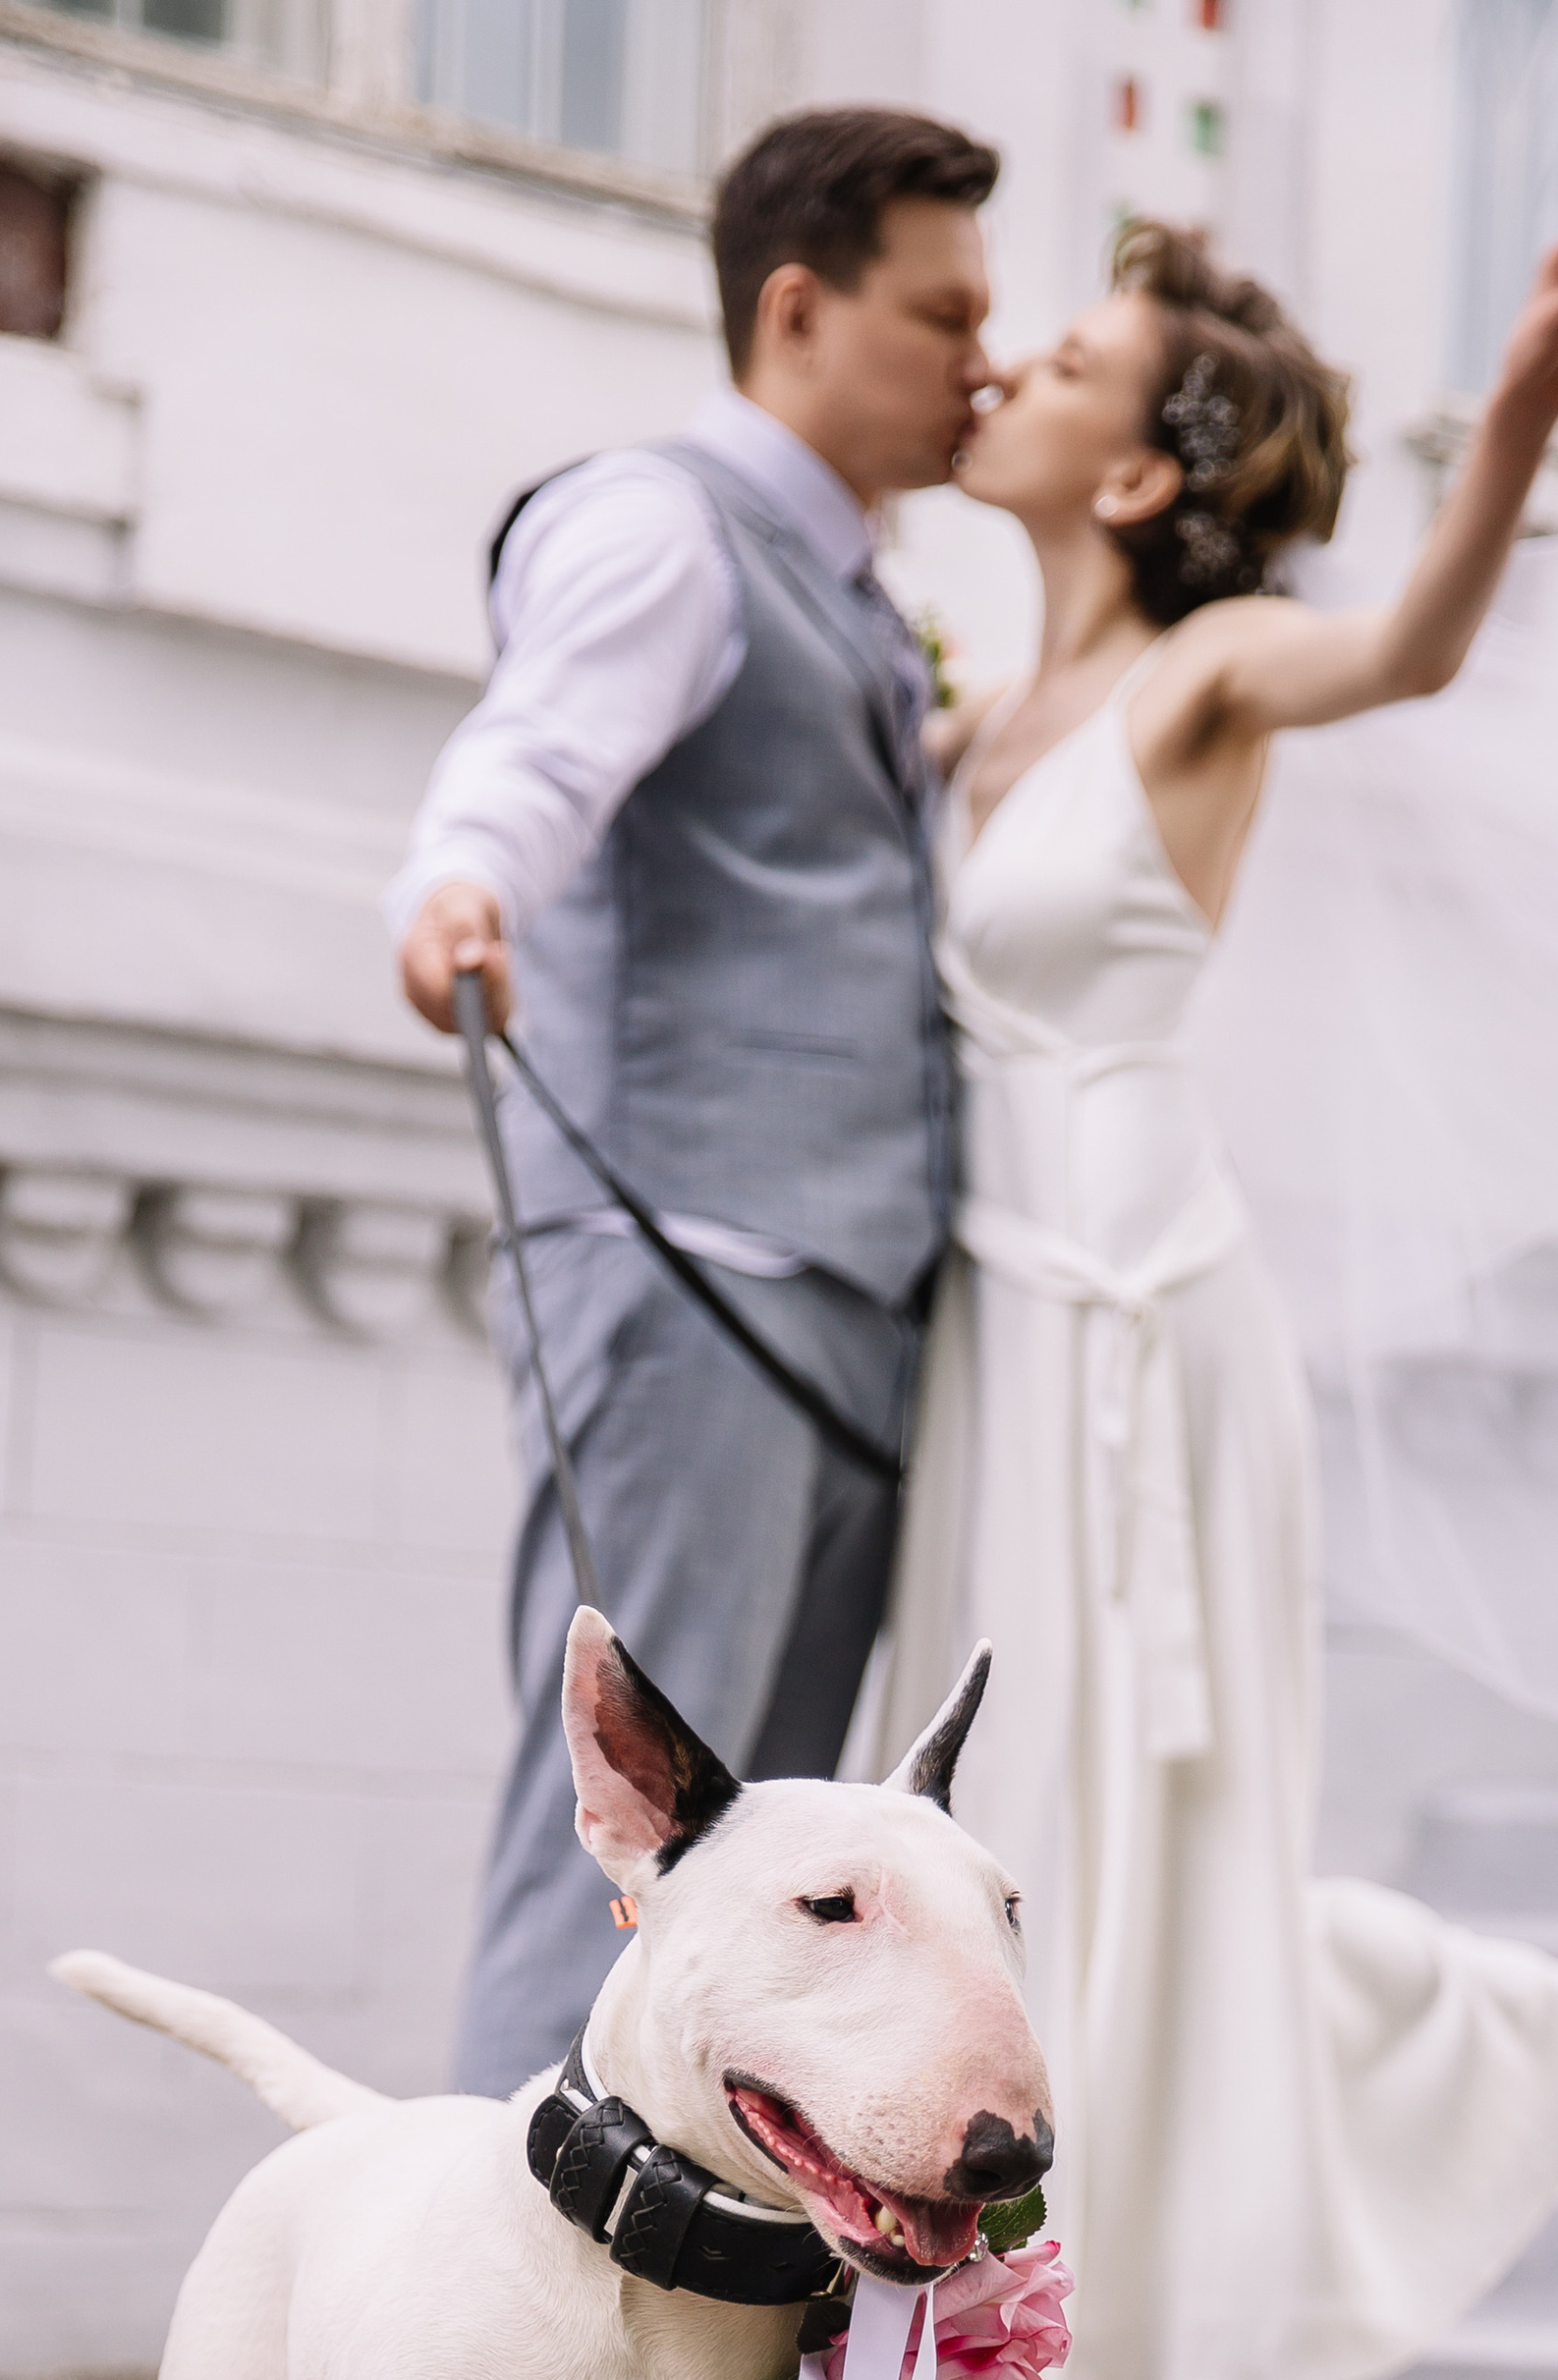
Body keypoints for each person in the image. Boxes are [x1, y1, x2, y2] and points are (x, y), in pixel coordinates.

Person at [874, 200, 1558, 2380]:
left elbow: (1408, 646)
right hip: (1006, 1344)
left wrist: (1514, 405)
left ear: (1142, 479)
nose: (1010, 366)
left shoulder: (1203, 677)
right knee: (1051, 1887)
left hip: (1147, 1353)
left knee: (1125, 1890)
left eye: (1059, 351)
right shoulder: (966, 717)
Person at [389, 106, 997, 2101]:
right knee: (627, 1848)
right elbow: (534, 754)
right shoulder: (656, 521)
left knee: (758, 1875)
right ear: (800, 307)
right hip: (688, 1269)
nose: (979, 359)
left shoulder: (852, 590)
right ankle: (477, 2322)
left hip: (835, 1286)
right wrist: (457, 885)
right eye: (941, 313)